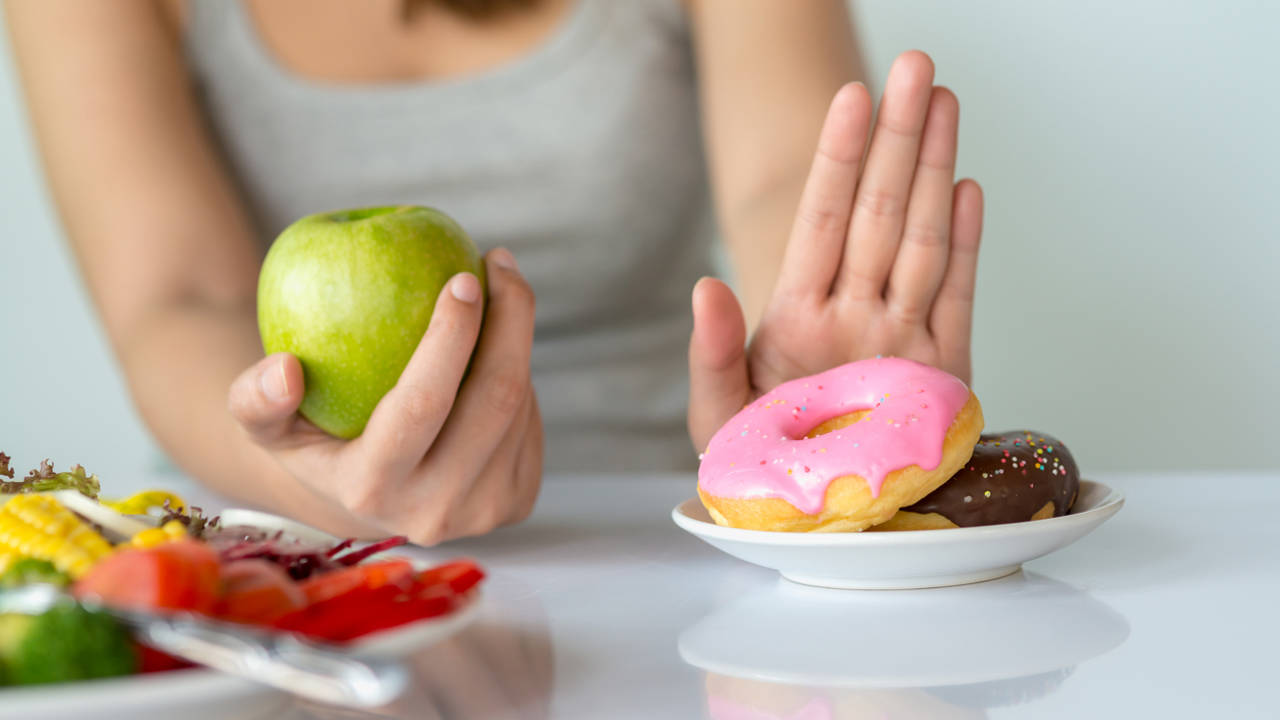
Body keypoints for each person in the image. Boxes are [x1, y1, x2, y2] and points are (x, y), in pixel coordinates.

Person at [6, 0, 982, 544]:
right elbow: (175, 297)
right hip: (282, 565)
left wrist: (814, 392)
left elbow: (782, 182)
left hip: (661, 549)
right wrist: (321, 492)